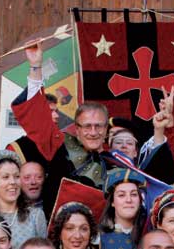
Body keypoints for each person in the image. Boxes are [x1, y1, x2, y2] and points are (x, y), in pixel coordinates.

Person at [11, 44, 121, 212]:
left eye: (98, 126)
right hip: (55, 225)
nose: (93, 132)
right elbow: (36, 116)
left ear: (106, 129)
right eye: (87, 126)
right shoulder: (59, 145)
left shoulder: (115, 164)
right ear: (77, 129)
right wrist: (35, 66)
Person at [98, 168, 148, 249]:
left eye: (134, 194)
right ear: (112, 202)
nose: (129, 200)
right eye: (121, 195)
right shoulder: (98, 236)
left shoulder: (149, 233)